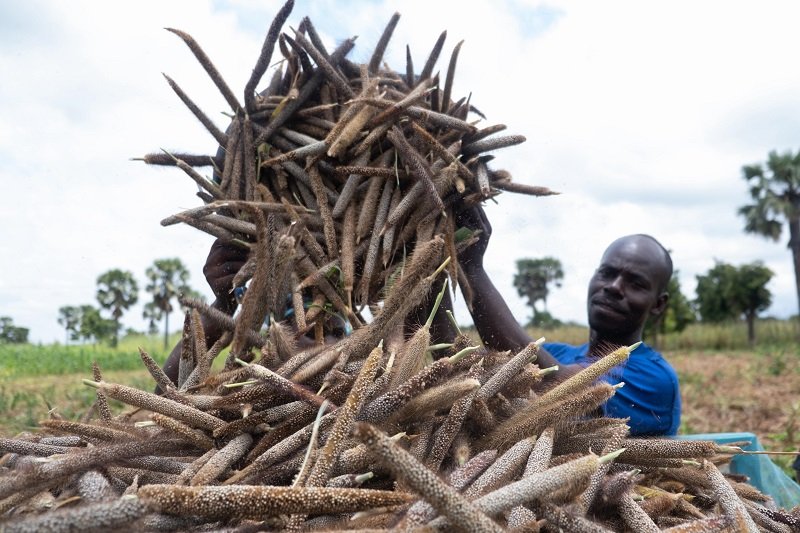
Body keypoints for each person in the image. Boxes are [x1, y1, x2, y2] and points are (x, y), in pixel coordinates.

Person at [456, 205, 681, 436]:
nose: (614, 287)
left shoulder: (655, 377)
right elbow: (464, 379)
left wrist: (471, 267)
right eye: (607, 273)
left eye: (636, 283)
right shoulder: (556, 353)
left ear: (658, 304)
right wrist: (433, 272)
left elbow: (562, 389)